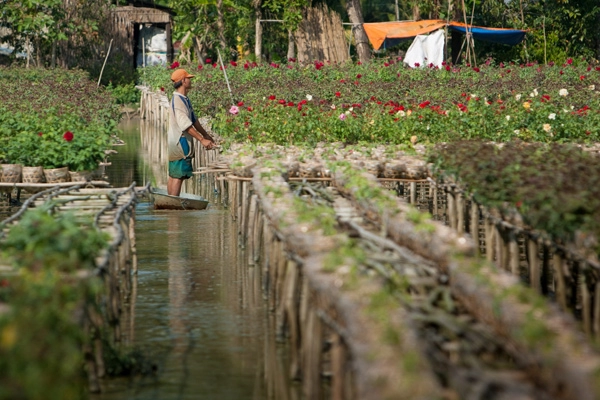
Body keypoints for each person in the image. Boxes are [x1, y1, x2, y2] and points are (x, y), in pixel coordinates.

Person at [167, 68, 216, 196]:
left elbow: (194, 121)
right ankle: (173, 208)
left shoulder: (184, 99)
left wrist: (206, 134)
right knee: (178, 175)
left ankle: (169, 206)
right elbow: (185, 125)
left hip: (178, 142)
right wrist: (201, 140)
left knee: (175, 174)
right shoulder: (178, 101)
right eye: (189, 78)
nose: (190, 80)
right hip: (180, 142)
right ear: (183, 81)